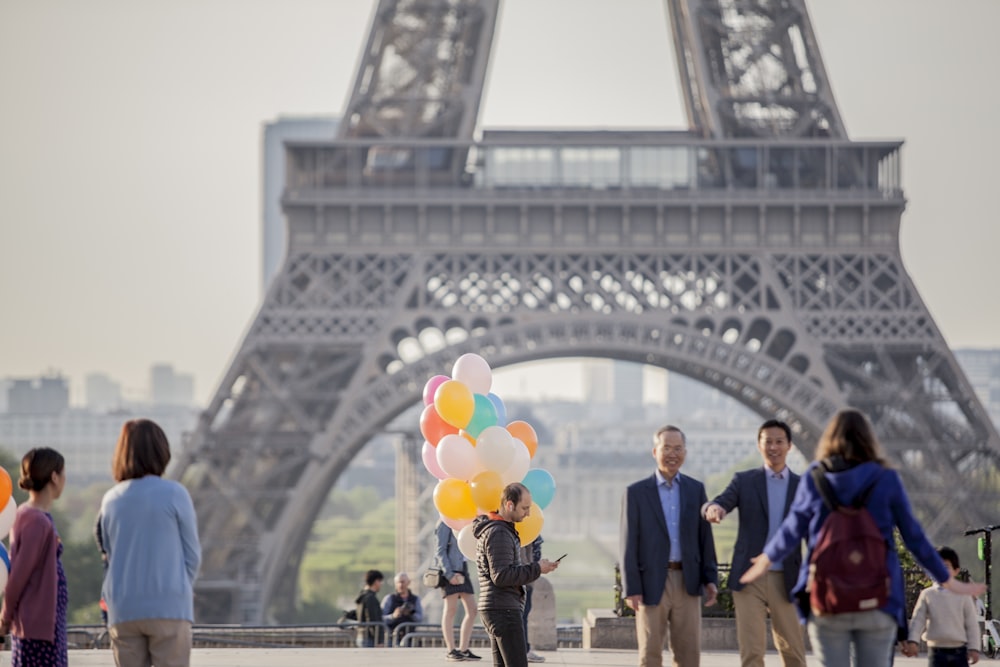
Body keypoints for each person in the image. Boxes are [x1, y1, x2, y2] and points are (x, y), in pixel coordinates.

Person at [741, 408, 986, 667]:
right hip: (878, 596)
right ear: (868, 439)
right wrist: (948, 580)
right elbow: (914, 537)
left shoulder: (816, 476)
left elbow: (792, 528)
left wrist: (766, 559)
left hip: (827, 596)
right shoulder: (886, 478)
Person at [99, 418, 202, 667]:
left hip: (123, 607)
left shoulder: (110, 500)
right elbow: (192, 555)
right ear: (162, 451)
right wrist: (177, 587)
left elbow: (111, 555)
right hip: (169, 604)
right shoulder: (176, 494)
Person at [703, 419, 806, 667]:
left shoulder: (802, 486)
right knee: (751, 652)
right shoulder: (744, 480)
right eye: (767, 441)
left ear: (789, 446)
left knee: (794, 653)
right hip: (749, 578)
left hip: (788, 578)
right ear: (759, 445)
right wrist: (712, 509)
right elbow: (720, 502)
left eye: (779, 441)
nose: (773, 447)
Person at [620, 424, 719, 667]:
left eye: (678, 448)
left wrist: (711, 578)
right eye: (667, 448)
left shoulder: (696, 490)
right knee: (650, 655)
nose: (672, 454)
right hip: (651, 581)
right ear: (655, 451)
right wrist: (631, 587)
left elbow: (704, 538)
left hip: (688, 581)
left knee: (688, 655)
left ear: (685, 452)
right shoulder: (636, 492)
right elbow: (628, 543)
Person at [473, 483, 559, 667]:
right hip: (503, 609)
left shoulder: (498, 531)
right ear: (510, 505)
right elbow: (502, 576)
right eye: (525, 508)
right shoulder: (499, 533)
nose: (528, 513)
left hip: (498, 607)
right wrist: (537, 568)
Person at [0, 447, 68, 667]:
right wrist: (5, 618)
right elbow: (18, 575)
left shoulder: (32, 516)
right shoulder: (35, 520)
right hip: (36, 628)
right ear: (54, 477)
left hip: (43, 624)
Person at [903, 546, 980, 665]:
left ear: (956, 571)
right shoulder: (927, 594)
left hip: (959, 650)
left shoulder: (963, 595)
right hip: (936, 651)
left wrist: (974, 648)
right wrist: (913, 640)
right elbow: (918, 619)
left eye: (945, 567)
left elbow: (972, 624)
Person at [437, 520, 481, 661]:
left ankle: (464, 648)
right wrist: (449, 574)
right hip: (450, 570)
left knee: (472, 610)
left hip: (463, 568)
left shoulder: (463, 522)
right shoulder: (444, 523)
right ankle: (451, 649)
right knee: (451, 610)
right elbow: (440, 551)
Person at [382, 571, 423, 647]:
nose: (401, 585)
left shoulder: (415, 599)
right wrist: (393, 616)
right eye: (398, 582)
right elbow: (381, 618)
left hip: (410, 638)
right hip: (392, 638)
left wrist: (411, 614)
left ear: (408, 583)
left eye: (403, 582)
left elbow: (420, 618)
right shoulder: (389, 599)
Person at [521, 535, 545, 663]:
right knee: (522, 615)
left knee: (524, 615)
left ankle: (524, 649)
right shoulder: (520, 530)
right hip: (525, 578)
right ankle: (523, 650)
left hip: (530, 577)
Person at [355, 569, 385, 647]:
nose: (381, 584)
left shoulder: (362, 596)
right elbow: (373, 620)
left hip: (361, 635)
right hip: (369, 638)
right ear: (376, 582)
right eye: (380, 581)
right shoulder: (370, 598)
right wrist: (378, 641)